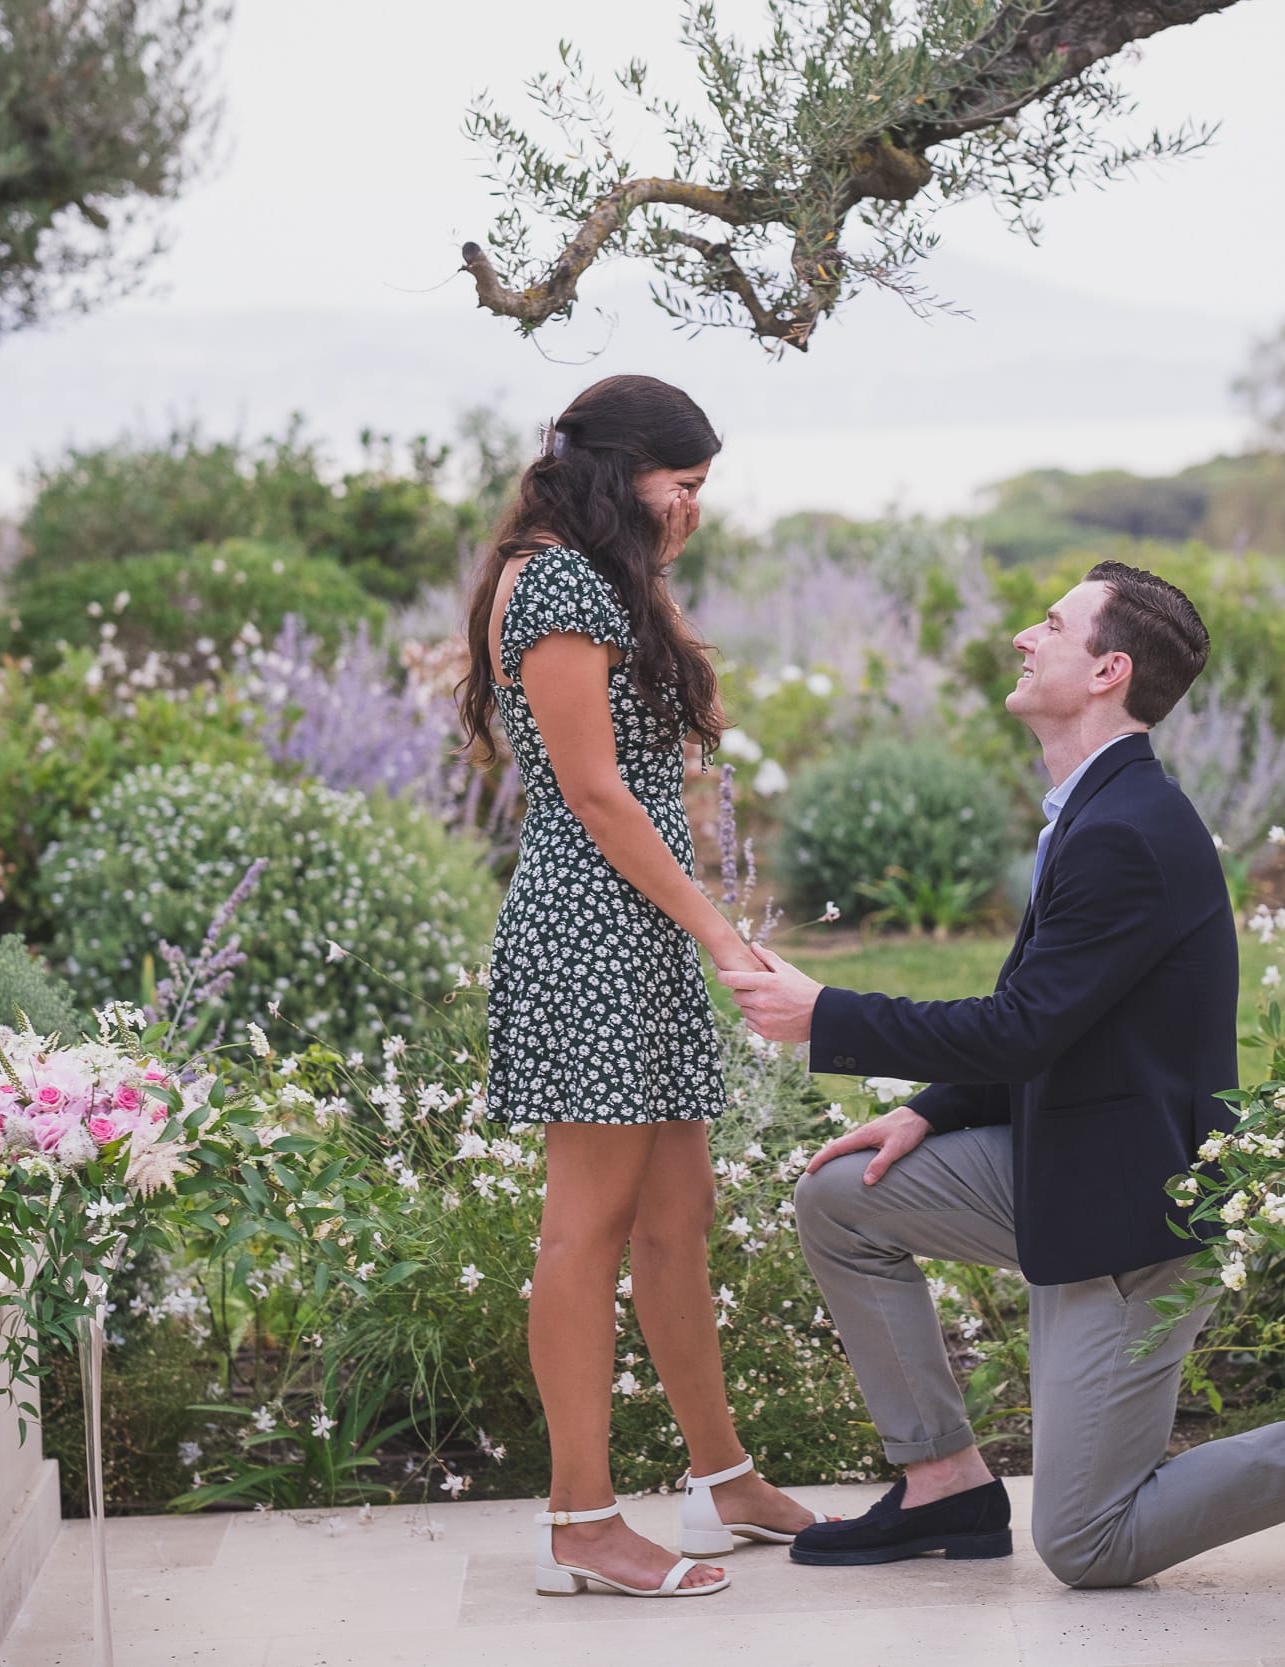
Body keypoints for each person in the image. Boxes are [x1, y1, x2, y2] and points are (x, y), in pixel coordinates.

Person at [719, 562, 1285, 1587]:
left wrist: (826, 1016)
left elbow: (1026, 1024)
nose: (1025, 637)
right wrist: (932, 1114)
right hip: (1066, 1160)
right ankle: (943, 1478)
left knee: (1088, 1541)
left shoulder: (1126, 831)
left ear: (1108, 669)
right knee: (842, 1196)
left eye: (1052, 624)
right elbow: (1064, 1015)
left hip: (1134, 1213)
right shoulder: (1093, 807)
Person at [456, 374, 824, 1601]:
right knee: (589, 1223)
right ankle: (580, 1521)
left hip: (636, 930)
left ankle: (723, 1479)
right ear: (621, 469)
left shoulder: (600, 574)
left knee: (679, 1213)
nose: (693, 508)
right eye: (685, 483)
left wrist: (697, 936)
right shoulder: (557, 579)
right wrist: (724, 937)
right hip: (593, 932)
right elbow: (597, 792)